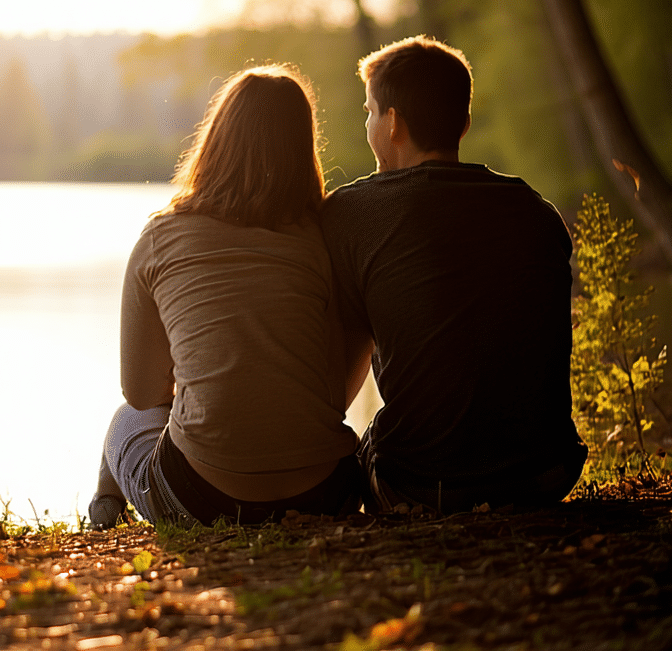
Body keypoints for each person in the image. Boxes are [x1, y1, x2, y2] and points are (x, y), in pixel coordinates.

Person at [87, 63, 363, 529]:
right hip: (326, 496)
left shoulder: (161, 238)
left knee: (124, 420)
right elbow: (334, 397)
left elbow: (141, 393)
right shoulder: (323, 239)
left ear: (216, 139)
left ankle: (103, 514)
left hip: (203, 501)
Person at [321, 35, 588, 514]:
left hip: (424, 486)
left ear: (393, 123)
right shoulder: (536, 211)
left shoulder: (353, 213)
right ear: (463, 123)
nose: (368, 124)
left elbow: (336, 391)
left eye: (369, 112)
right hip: (547, 473)